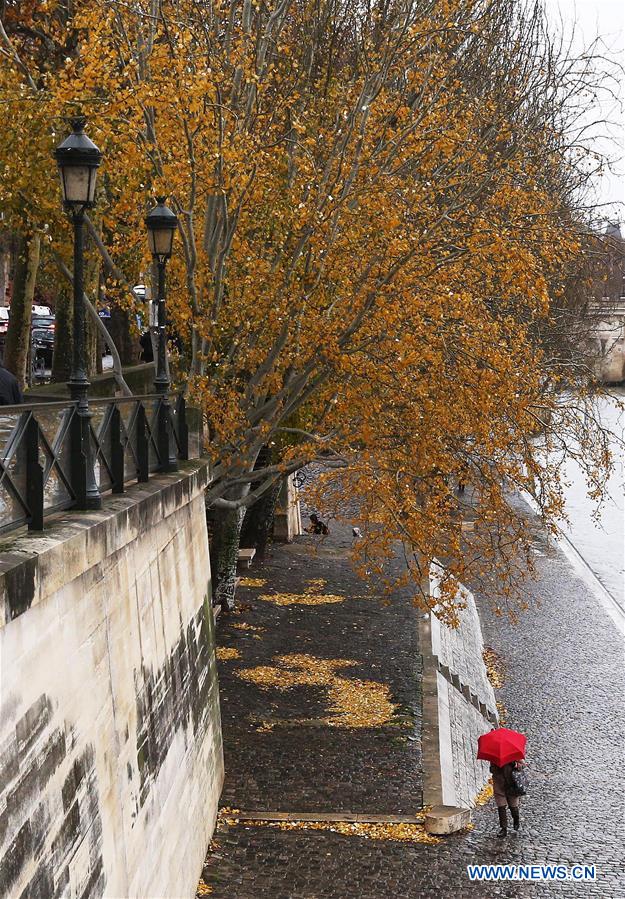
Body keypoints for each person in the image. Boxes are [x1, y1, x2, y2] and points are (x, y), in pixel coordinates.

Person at [490, 760, 523, 836]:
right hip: (499, 784)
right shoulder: (495, 757)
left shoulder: (514, 754)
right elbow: (492, 770)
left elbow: (521, 766)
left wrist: (516, 765)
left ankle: (516, 819)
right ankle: (503, 828)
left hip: (512, 783)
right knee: (501, 806)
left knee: (513, 805)